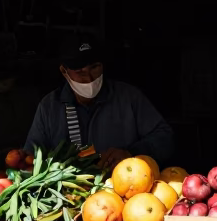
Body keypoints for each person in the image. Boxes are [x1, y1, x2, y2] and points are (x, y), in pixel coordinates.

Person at [24, 36, 175, 169]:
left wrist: (131, 153)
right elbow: (30, 157)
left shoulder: (129, 97)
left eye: (94, 67)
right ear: (64, 71)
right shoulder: (49, 107)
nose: (89, 78)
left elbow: (165, 138)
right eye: (80, 71)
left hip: (124, 187)